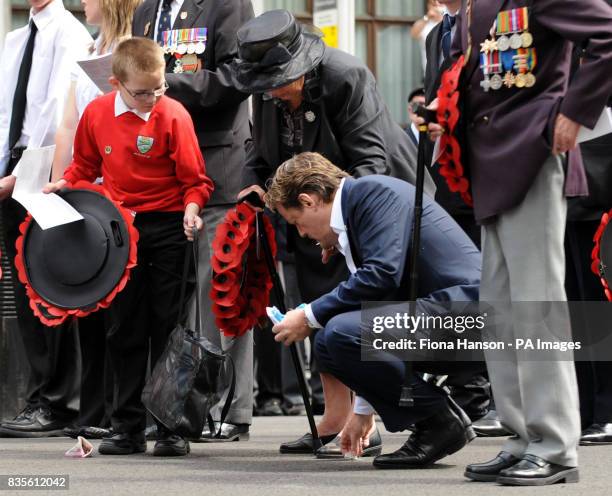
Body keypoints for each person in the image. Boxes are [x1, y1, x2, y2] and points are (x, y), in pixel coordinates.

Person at [232, 9, 435, 456]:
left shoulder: (346, 76)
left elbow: (370, 162)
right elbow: (259, 149)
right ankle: (335, 415)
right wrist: (253, 182)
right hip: (309, 210)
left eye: (278, 81)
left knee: (352, 309)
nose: (270, 93)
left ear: (301, 67)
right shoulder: (267, 91)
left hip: (362, 204)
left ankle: (373, 416)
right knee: (314, 308)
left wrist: (342, 230)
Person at [428, 0, 612, 486]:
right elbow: (485, 80)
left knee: (536, 308)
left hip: (532, 155)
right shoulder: (478, 5)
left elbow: (608, 36)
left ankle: (554, 446)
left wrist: (575, 113)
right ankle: (522, 436)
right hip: (490, 165)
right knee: (502, 309)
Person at [44, 37, 213, 456]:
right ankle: (127, 427)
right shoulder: (97, 113)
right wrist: (65, 184)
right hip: (121, 231)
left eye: (158, 88)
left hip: (171, 225)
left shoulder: (173, 115)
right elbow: (83, 166)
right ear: (115, 83)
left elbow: (196, 181)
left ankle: (169, 427)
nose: (151, 99)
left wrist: (192, 210)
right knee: (124, 329)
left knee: (168, 329)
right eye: (140, 92)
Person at [264, 152, 482, 468]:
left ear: (309, 201)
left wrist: (310, 314)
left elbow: (382, 275)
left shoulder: (372, 194)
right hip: (452, 314)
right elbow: (382, 307)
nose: (302, 234)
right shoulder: (361, 203)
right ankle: (435, 421)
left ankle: (439, 421)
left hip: (468, 316)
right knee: (332, 334)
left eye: (296, 223)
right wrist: (363, 411)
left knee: (336, 332)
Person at [132, 0, 256, 442]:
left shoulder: (227, 4)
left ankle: (225, 408)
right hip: (161, 175)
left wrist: (168, 85)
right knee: (169, 304)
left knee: (217, 292)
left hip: (215, 165)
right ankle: (173, 407)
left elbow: (239, 75)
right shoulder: (147, 10)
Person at [49, 0, 142, 441]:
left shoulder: (133, 50)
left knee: (120, 310)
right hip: (85, 188)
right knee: (87, 302)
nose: (82, 1)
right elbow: (67, 125)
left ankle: (119, 411)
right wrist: (58, 186)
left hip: (122, 195)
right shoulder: (87, 48)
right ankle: (92, 409)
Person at [0, 0, 92, 438]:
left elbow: (58, 117)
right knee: (24, 291)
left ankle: (59, 402)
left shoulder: (69, 33)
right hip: (11, 170)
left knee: (50, 288)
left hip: (43, 171)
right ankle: (41, 396)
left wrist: (21, 177)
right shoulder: (16, 39)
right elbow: (6, 115)